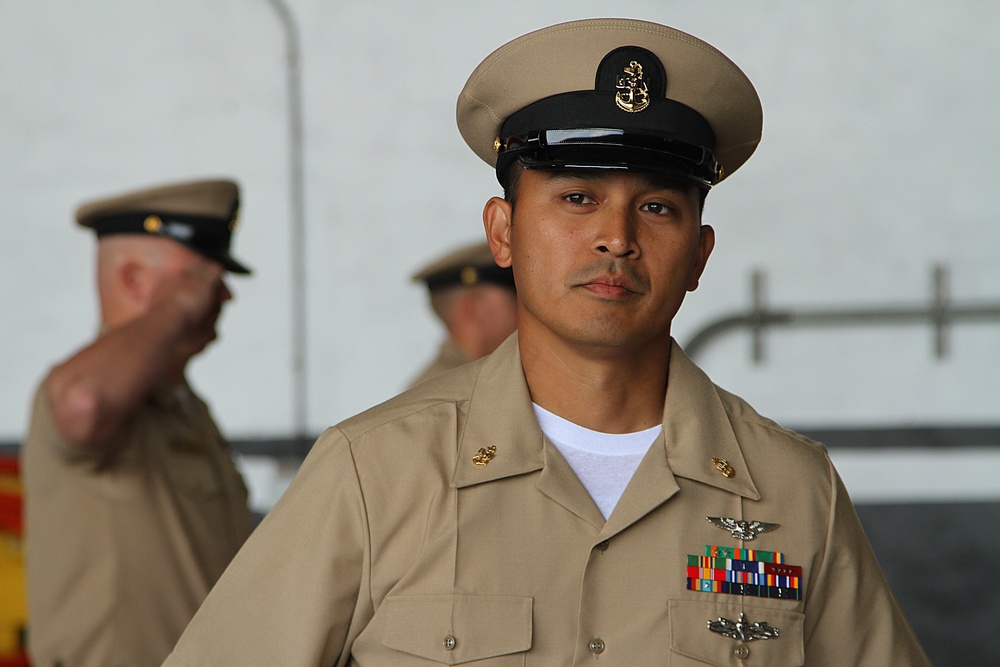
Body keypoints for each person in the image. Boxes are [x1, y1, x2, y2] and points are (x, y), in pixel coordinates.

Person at [165, 19, 930, 665]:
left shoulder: (795, 493)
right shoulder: (376, 475)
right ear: (503, 233)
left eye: (658, 207)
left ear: (699, 255)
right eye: (576, 197)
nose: (616, 238)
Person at [22, 178, 254, 667]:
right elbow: (83, 405)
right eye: (202, 279)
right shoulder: (84, 393)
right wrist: (174, 306)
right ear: (132, 280)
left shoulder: (184, 404)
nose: (224, 297)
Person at [408, 240, 517, 387]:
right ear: (474, 310)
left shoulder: (488, 380)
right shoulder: (446, 394)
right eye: (515, 300)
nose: (526, 312)